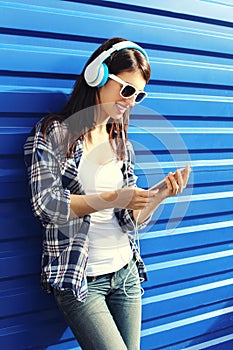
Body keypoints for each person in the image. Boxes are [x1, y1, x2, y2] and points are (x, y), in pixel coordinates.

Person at [24, 37, 190, 350]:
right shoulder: (54, 133)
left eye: (139, 95)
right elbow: (46, 206)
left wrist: (159, 195)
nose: (130, 100)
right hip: (82, 280)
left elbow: (131, 220)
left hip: (125, 273)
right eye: (126, 89)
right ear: (97, 76)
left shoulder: (119, 142)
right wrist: (112, 198)